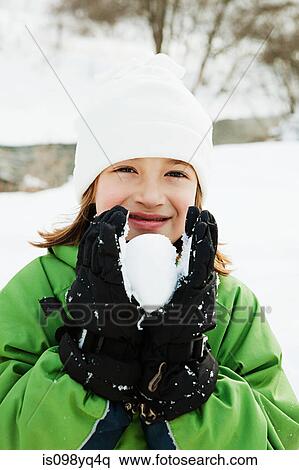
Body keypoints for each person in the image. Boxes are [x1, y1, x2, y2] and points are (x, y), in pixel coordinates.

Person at [0, 53, 298, 450]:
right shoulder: (36, 289)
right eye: (126, 169)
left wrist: (188, 371)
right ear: (92, 187)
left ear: (197, 192)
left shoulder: (231, 303)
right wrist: (92, 358)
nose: (151, 196)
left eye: (175, 173)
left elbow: (281, 444)